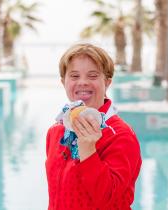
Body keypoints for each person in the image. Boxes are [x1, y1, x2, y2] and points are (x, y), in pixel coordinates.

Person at [45, 43, 142, 210]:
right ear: (63, 82)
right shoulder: (56, 131)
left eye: (92, 76)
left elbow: (109, 198)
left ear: (107, 82)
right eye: (74, 76)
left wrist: (88, 149)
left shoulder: (121, 135)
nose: (82, 82)